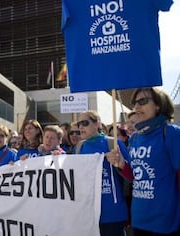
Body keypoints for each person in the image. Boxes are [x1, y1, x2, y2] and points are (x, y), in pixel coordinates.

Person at [108, 87, 180, 235]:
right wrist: (122, 163)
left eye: (143, 101)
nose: (137, 106)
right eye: (135, 102)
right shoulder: (135, 137)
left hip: (165, 221)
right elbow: (136, 176)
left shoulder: (171, 133)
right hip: (139, 218)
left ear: (158, 105)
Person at [75, 110, 129, 236]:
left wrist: (120, 163)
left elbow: (131, 173)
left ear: (97, 124)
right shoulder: (79, 147)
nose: (81, 127)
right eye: (79, 124)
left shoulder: (113, 143)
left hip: (112, 213)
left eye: (84, 123)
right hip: (89, 214)